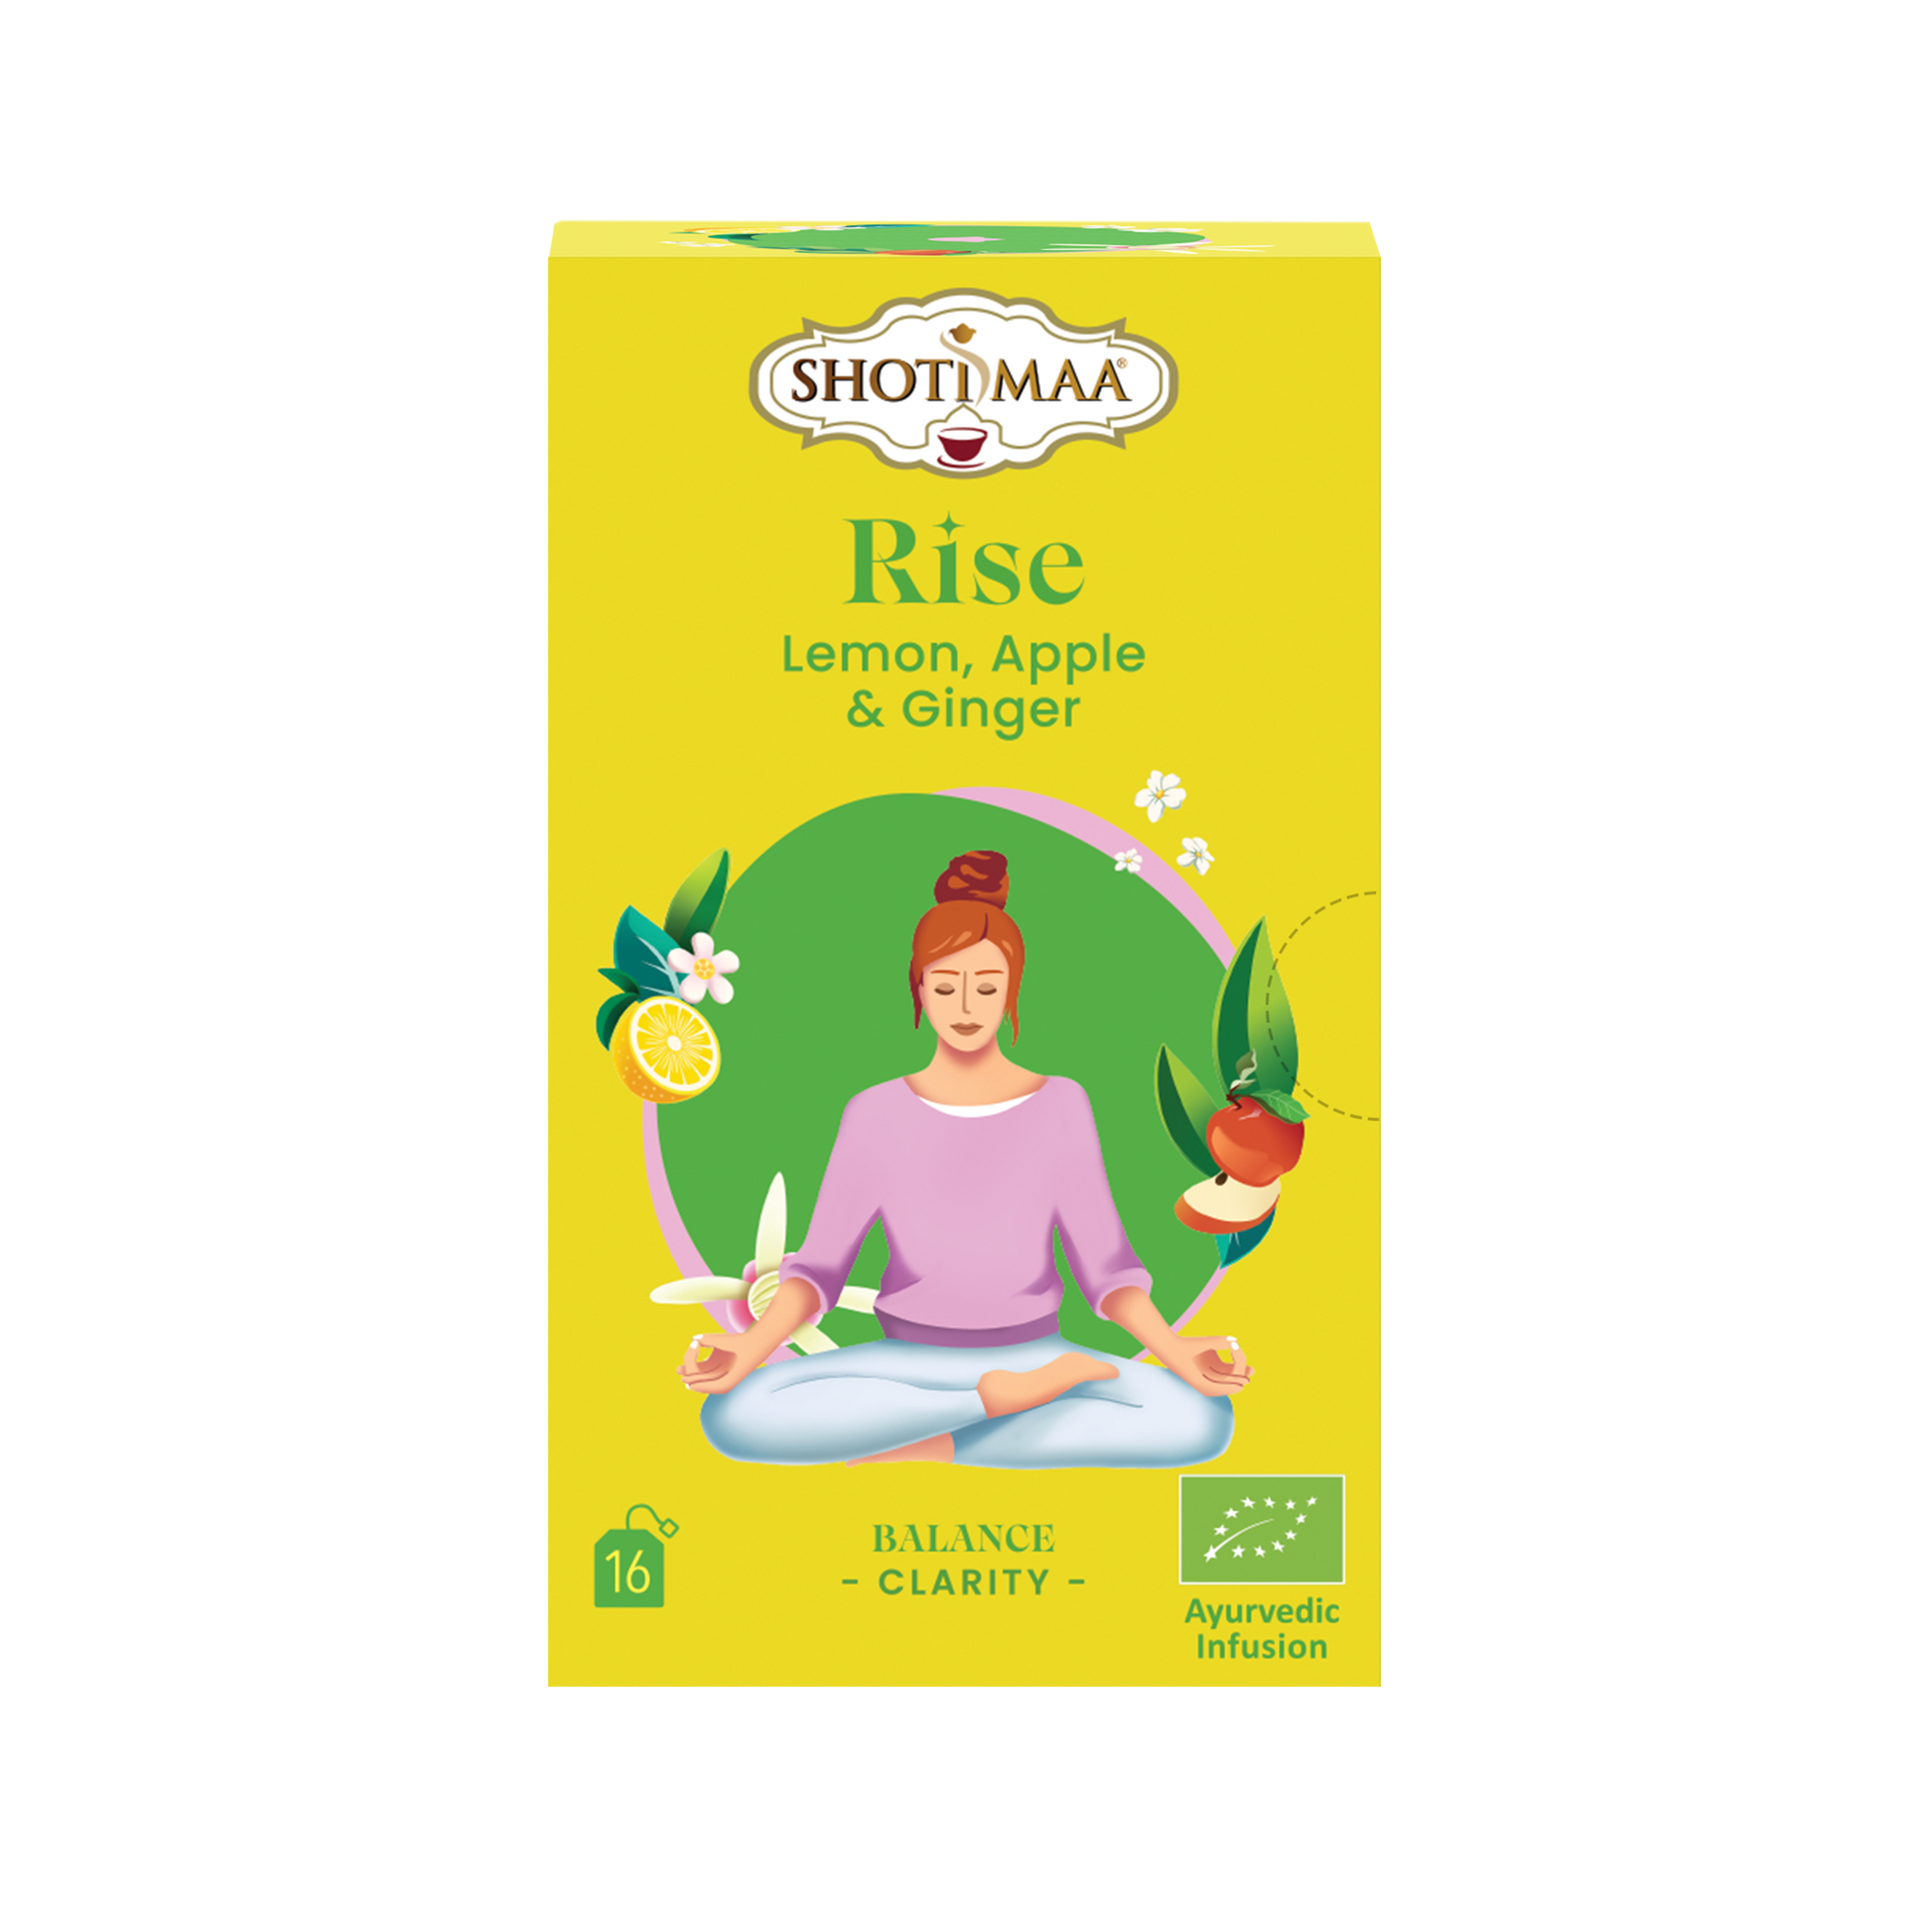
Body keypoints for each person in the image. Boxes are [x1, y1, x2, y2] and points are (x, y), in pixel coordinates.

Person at [679, 849, 1252, 1468]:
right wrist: (748, 1350)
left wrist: (1175, 1352)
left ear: (1011, 991)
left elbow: (1108, 1274)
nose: (966, 1008)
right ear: (919, 990)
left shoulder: (1062, 1105)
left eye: (986, 987)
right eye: (947, 987)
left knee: (1200, 1420)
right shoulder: (874, 1114)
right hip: (903, 1366)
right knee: (734, 1414)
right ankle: (988, 1404)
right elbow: (818, 1271)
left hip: (1038, 1355)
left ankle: (935, 1440)